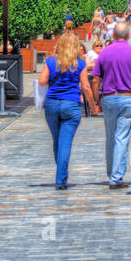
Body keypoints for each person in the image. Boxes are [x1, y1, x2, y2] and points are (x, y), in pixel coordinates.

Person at [38, 32, 98, 190]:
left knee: (57, 141)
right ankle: (61, 179)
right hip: (71, 105)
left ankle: (61, 173)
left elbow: (42, 81)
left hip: (51, 104)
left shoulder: (51, 61)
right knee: (65, 143)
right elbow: (85, 86)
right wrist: (93, 106)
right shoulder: (80, 63)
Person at [90, 21, 131, 189]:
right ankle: (116, 177)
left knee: (111, 137)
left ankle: (113, 173)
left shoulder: (105, 53)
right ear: (128, 35)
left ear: (113, 36)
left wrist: (96, 101)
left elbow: (96, 79)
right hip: (127, 98)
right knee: (121, 138)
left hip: (108, 98)